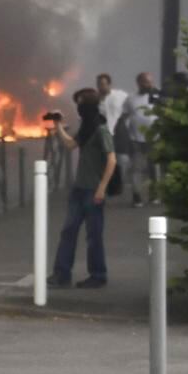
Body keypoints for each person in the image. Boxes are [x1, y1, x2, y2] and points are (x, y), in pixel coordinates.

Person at [48, 89, 116, 289]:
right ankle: (61, 273)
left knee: (93, 235)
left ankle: (98, 275)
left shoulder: (101, 129)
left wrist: (102, 188)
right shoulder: (86, 128)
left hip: (93, 190)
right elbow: (71, 144)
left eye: (81, 103)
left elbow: (111, 159)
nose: (78, 108)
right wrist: (58, 125)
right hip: (79, 189)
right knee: (68, 231)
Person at [121, 71, 159, 207]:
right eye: (146, 82)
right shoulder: (131, 99)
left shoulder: (157, 96)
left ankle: (154, 195)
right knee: (136, 168)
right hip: (136, 138)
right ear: (139, 83)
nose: (149, 84)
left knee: (154, 167)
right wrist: (125, 134)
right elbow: (124, 117)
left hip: (155, 138)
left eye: (150, 82)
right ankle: (137, 196)